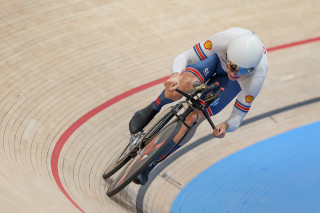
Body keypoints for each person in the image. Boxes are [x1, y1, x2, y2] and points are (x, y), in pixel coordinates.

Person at [129, 27, 268, 185]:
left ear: (252, 69)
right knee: (183, 86)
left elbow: (238, 116)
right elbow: (186, 57)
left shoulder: (256, 79)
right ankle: (154, 107)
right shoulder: (223, 40)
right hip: (216, 62)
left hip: (230, 85)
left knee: (194, 118)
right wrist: (175, 75)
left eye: (243, 71)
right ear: (228, 54)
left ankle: (151, 164)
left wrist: (226, 125)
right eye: (234, 67)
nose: (235, 73)